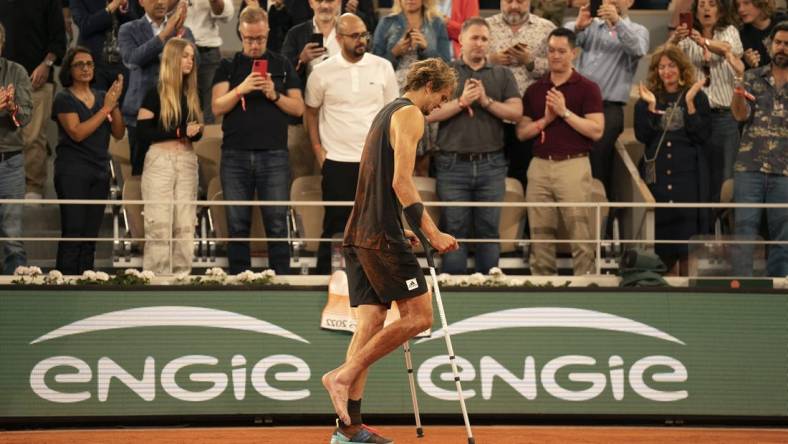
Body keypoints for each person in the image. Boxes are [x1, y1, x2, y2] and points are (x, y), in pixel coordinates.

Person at [322, 57, 458, 442]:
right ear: (428, 85)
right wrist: (431, 232)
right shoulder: (412, 114)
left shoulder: (386, 112)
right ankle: (341, 376)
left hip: (360, 232)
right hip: (379, 235)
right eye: (442, 97)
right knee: (419, 318)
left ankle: (348, 430)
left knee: (369, 323)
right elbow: (401, 182)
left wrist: (401, 227)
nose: (439, 106)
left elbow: (378, 182)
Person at [211, 6, 303, 274]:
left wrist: (274, 94)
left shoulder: (282, 64)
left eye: (260, 39)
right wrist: (242, 88)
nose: (255, 44)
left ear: (268, 33)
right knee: (237, 223)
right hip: (234, 154)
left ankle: (283, 280)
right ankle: (240, 280)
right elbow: (217, 106)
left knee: (277, 222)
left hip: (274, 154)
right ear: (240, 33)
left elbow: (298, 109)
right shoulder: (228, 65)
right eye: (250, 39)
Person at [304, 13, 399, 274]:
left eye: (364, 34)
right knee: (335, 224)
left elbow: (393, 113)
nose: (362, 40)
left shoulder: (383, 67)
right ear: (338, 38)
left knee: (377, 224)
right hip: (336, 161)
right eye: (355, 35)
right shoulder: (321, 71)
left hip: (375, 161)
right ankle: (324, 279)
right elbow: (310, 111)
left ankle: (378, 279)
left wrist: (390, 153)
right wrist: (316, 149)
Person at [427, 17, 522, 274]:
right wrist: (461, 102)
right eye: (474, 38)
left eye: (484, 39)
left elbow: (516, 112)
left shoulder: (502, 74)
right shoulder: (445, 72)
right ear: (461, 41)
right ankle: (454, 291)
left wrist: (486, 100)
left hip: (492, 165)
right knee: (453, 230)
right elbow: (428, 112)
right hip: (451, 165)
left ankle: (489, 290)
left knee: (489, 229)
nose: (479, 44)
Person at [516, 27, 604, 276]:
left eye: (561, 51)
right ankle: (543, 284)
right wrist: (545, 119)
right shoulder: (535, 90)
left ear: (574, 53)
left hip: (573, 165)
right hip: (540, 165)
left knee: (580, 228)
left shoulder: (588, 88)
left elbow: (596, 130)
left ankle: (586, 283)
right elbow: (522, 133)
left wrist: (564, 112)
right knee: (540, 231)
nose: (555, 56)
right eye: (551, 50)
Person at [634, 45, 711, 275]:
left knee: (687, 246)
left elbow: (702, 136)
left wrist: (689, 104)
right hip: (658, 179)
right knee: (662, 244)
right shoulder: (648, 97)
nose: (666, 71)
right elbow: (643, 136)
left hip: (687, 178)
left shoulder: (697, 96)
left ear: (681, 68)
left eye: (671, 66)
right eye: (662, 67)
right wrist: (649, 107)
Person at [52, 47, 125, 275]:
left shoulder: (104, 97)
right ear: (69, 70)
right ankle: (65, 285)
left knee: (90, 236)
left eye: (89, 64)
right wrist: (105, 109)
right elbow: (77, 132)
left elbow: (119, 133)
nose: (85, 68)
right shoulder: (64, 98)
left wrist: (115, 104)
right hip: (72, 172)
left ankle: (85, 282)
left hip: (99, 171)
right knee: (73, 232)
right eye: (79, 64)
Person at [567, 0, 649, 201]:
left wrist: (617, 22)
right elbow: (561, 42)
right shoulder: (589, 25)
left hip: (608, 108)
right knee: (570, 163)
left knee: (597, 165)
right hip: (576, 106)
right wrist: (577, 26)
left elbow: (638, 49)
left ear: (629, 1)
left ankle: (600, 222)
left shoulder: (638, 30)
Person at [136, 38, 203, 275]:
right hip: (160, 161)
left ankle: (182, 277)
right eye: (185, 56)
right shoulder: (155, 92)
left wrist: (194, 132)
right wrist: (180, 131)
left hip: (186, 160)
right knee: (159, 224)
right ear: (173, 58)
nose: (190, 61)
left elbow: (195, 132)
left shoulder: (192, 94)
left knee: (185, 225)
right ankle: (157, 280)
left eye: (192, 57)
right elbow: (143, 131)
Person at [670, 0, 742, 203]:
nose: (707, 8)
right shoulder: (687, 36)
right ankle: (703, 224)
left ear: (721, 9)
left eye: (712, 4)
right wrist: (675, 39)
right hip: (695, 117)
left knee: (726, 178)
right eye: (702, 4)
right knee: (698, 172)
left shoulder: (729, 30)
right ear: (696, 10)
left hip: (725, 117)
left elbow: (729, 49)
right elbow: (663, 57)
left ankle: (724, 222)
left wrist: (703, 41)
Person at [730, 21, 788, 277]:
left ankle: (779, 288)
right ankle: (741, 288)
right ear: (770, 45)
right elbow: (740, 115)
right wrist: (739, 89)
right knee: (744, 230)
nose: (782, 48)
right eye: (778, 43)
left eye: (787, 44)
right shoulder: (753, 77)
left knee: (783, 234)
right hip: (750, 167)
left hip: (785, 171)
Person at [119, 0, 195, 177]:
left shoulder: (183, 30)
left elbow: (194, 62)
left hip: (176, 112)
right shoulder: (129, 29)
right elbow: (132, 59)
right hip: (140, 114)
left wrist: (179, 38)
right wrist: (164, 35)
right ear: (141, 2)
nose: (161, 2)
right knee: (142, 175)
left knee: (178, 174)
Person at [0, 0, 66, 201]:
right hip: (2, 75)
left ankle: (33, 188)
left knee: (34, 137)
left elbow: (58, 40)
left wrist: (46, 65)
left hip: (36, 78)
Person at [486, 0, 555, 189]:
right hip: (492, 113)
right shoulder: (486, 26)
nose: (514, 6)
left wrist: (530, 61)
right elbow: (466, 59)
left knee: (524, 173)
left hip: (530, 116)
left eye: (521, 1)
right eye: (509, 1)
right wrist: (491, 60)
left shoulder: (546, 28)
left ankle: (523, 218)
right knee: (492, 174)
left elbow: (558, 66)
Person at [281, 0, 342, 181]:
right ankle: (299, 210)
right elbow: (282, 75)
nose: (325, 5)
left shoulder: (349, 31)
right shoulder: (296, 33)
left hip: (340, 114)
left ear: (339, 2)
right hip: (303, 116)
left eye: (330, 0)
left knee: (335, 173)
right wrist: (301, 60)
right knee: (301, 173)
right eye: (319, 0)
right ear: (310, 3)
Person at [0, 23, 33, 274]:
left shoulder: (16, 71)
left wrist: (12, 108)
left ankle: (16, 291)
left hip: (10, 160)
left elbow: (25, 118)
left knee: (12, 234)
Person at [372, 0, 452, 88]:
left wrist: (426, 49)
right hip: (391, 84)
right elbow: (375, 64)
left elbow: (446, 64)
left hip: (427, 86)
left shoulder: (437, 23)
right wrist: (394, 53)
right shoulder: (386, 22)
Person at [70, 0, 137, 100]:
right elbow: (85, 26)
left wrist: (125, 8)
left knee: (124, 111)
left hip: (123, 65)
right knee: (96, 109)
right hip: (94, 66)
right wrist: (111, 7)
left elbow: (135, 25)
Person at [184, 0, 234, 124]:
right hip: (177, 50)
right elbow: (162, 9)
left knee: (210, 110)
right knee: (179, 105)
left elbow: (226, 15)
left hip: (207, 51)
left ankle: (205, 141)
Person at [736, 0, 787, 68]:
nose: (740, 9)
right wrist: (747, 63)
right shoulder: (740, 35)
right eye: (738, 5)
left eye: (746, 3)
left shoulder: (783, 20)